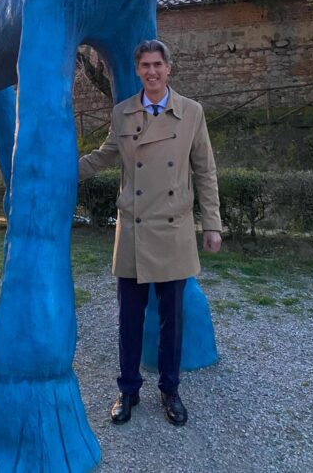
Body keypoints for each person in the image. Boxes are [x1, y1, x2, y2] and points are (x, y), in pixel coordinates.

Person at [78, 39, 222, 427]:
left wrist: (212, 224)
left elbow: (205, 171)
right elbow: (104, 156)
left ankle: (170, 390)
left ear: (168, 68)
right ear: (138, 70)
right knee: (129, 319)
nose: (152, 71)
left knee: (172, 321)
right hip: (134, 231)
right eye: (145, 65)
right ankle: (128, 390)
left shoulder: (191, 112)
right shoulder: (123, 113)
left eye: (158, 64)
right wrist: (63, 170)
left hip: (173, 230)